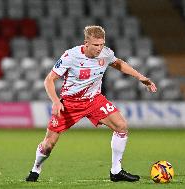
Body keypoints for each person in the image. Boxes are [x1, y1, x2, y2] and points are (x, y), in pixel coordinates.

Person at [25, 25, 157, 182]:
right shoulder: (71, 56)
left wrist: (140, 77)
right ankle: (36, 168)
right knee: (48, 145)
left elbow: (118, 63)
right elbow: (49, 80)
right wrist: (55, 102)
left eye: (102, 44)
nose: (100, 48)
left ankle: (116, 171)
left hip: (94, 100)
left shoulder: (106, 53)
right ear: (86, 43)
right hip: (70, 104)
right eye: (96, 45)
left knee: (121, 126)